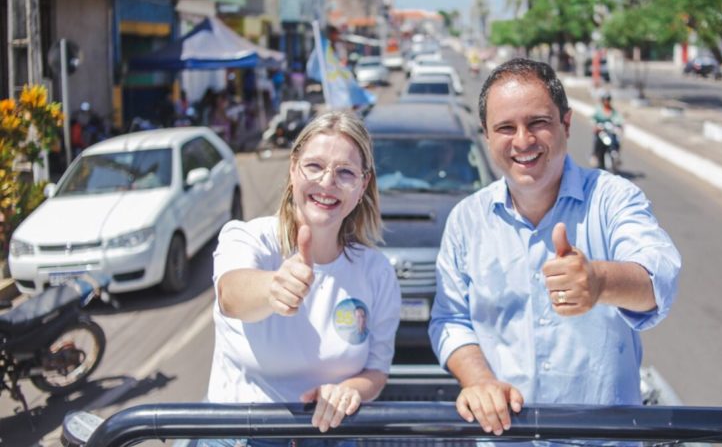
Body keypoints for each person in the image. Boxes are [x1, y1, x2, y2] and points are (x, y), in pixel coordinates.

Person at [428, 58, 681, 440]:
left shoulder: (613, 198)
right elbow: (450, 320)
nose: (523, 141)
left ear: (566, 122)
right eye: (505, 128)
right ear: (486, 136)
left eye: (538, 123)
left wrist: (600, 281)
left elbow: (659, 278)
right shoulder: (466, 220)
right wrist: (478, 380)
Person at [205, 111, 401, 446]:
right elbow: (231, 295)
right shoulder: (248, 238)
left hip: (332, 438)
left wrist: (348, 392)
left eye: (345, 173)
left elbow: (376, 373)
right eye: (314, 166)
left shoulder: (377, 272)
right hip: (240, 437)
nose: (327, 182)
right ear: (293, 169)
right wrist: (272, 288)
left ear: (362, 185)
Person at [591, 89, 624, 168]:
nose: (607, 101)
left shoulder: (613, 111)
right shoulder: (599, 110)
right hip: (601, 131)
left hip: (610, 131)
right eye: (605, 100)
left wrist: (620, 127)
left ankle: (615, 154)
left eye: (608, 99)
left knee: (616, 140)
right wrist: (596, 126)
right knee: (597, 140)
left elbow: (619, 120)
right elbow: (593, 119)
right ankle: (595, 155)